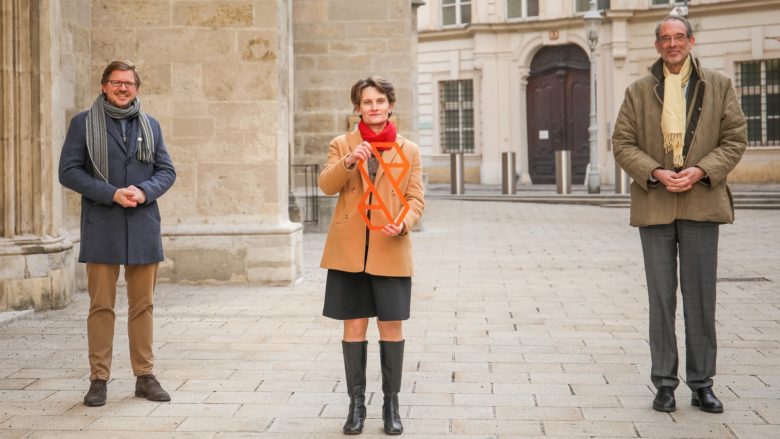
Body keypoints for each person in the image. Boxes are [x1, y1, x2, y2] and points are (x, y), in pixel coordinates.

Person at [612, 15, 746, 414]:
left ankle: (702, 383)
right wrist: (653, 171)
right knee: (660, 300)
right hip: (655, 203)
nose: (672, 44)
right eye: (664, 39)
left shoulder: (718, 85)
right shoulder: (638, 91)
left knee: (701, 299)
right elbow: (622, 142)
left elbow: (735, 138)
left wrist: (702, 169)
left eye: (678, 37)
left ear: (691, 41)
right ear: (657, 46)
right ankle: (665, 384)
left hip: (702, 201)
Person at [59, 60, 176, 407]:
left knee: (143, 306)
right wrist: (110, 193)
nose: (122, 88)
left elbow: (166, 171)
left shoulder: (150, 125)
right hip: (102, 226)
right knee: (101, 307)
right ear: (103, 87)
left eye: (128, 83)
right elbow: (69, 172)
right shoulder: (82, 124)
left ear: (136, 88)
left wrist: (143, 191)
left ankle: (145, 376)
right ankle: (99, 379)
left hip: (142, 226)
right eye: (115, 82)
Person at [318, 76, 424, 435]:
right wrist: (350, 160)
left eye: (380, 101)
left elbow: (416, 200)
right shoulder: (341, 144)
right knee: (354, 328)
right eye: (367, 102)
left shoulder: (408, 149)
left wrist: (404, 223)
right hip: (349, 252)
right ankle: (356, 407)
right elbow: (326, 185)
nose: (374, 107)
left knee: (392, 327)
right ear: (357, 108)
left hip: (390, 248)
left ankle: (391, 406)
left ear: (390, 105)